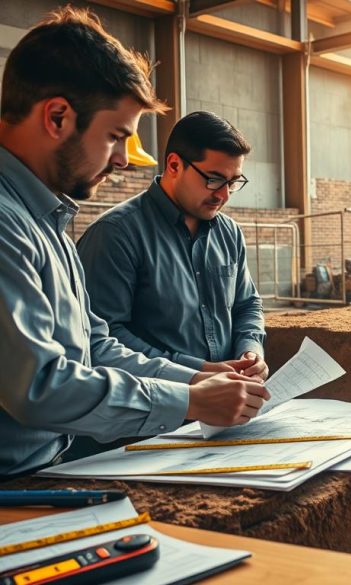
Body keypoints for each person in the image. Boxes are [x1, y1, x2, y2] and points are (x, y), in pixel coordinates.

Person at [0, 7, 268, 477]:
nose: (124, 160)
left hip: (43, 473)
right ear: (58, 117)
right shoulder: (10, 226)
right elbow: (39, 386)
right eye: (115, 137)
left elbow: (96, 346)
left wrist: (200, 380)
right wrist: (187, 398)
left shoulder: (49, 223)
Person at [78, 112, 268, 381]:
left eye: (233, 182)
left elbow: (247, 304)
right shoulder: (115, 234)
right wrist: (194, 371)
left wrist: (251, 351)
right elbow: (102, 337)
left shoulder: (229, 233)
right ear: (175, 165)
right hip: (154, 412)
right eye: (213, 179)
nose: (223, 194)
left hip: (227, 403)